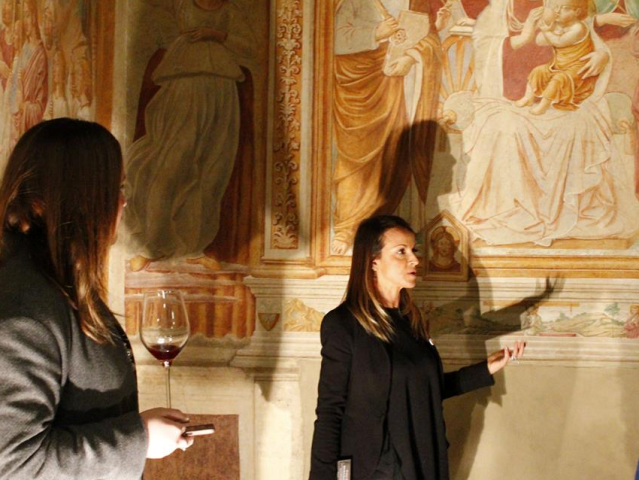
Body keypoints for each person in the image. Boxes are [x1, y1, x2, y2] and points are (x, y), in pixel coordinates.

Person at [0, 118, 193, 479]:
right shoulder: (27, 312)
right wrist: (140, 439)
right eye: (116, 187)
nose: (123, 201)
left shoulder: (56, 285)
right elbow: (13, 465)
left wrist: (140, 433)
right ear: (81, 197)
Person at [310, 215, 525, 480]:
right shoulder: (343, 324)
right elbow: (330, 410)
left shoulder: (411, 321)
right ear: (373, 261)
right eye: (401, 251)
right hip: (375, 468)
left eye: (414, 250)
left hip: (421, 460)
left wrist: (485, 369)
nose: (415, 260)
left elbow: (424, 389)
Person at [515, 0, 597, 115]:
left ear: (577, 12)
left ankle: (543, 106)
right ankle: (528, 97)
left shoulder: (578, 28)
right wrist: (542, 26)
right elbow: (539, 41)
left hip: (577, 69)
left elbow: (559, 42)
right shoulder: (559, 25)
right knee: (538, 71)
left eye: (565, 8)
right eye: (556, 7)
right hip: (559, 65)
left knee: (558, 79)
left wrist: (546, 31)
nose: (557, 11)